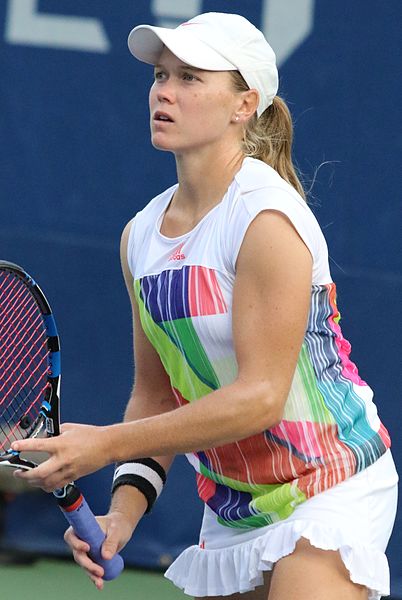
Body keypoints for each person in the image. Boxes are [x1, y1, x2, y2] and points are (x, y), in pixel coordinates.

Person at [12, 12, 398, 600]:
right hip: (234, 503)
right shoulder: (140, 237)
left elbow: (262, 396)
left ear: (244, 105)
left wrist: (101, 444)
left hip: (328, 482)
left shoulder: (266, 220)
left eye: (191, 77)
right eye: (161, 75)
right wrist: (123, 514)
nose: (164, 90)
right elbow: (156, 393)